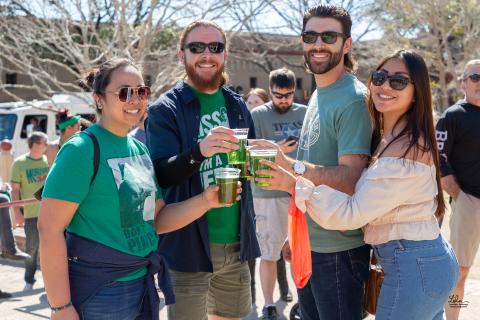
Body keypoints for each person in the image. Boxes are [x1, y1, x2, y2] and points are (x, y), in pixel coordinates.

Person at [258, 49, 460, 319]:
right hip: (415, 261)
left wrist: (293, 183)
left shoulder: (406, 150)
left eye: (398, 81)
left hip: (414, 266)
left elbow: (353, 213)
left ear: (417, 91)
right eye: (379, 77)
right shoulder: (390, 137)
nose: (385, 85)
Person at [38, 58, 241, 320]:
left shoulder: (140, 150)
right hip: (100, 290)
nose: (135, 100)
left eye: (141, 91)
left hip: (141, 284)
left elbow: (156, 220)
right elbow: (49, 229)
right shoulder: (81, 149)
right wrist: (60, 307)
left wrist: (205, 200)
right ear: (99, 99)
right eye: (124, 92)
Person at [251, 4, 372, 319]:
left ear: (346, 44)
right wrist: (296, 229)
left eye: (329, 36)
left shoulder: (353, 98)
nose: (318, 44)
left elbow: (350, 178)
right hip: (309, 241)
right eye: (310, 36)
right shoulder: (319, 93)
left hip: (339, 251)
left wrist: (290, 167)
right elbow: (316, 162)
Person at [146, 19, 260, 320]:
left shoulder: (237, 105)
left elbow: (241, 164)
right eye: (196, 47)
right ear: (181, 54)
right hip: (187, 247)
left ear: (225, 54)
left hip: (236, 244)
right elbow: (161, 174)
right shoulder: (165, 109)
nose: (206, 55)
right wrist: (199, 151)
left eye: (215, 47)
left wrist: (260, 163)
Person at [250, 67, 306, 319]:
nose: (283, 100)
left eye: (288, 95)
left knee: (301, 252)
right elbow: (247, 151)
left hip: (299, 190)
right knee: (269, 253)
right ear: (269, 90)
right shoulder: (258, 115)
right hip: (267, 193)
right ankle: (269, 305)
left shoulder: (305, 113)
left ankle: (304, 302)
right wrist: (277, 148)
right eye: (277, 95)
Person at [436, 59, 480, 320]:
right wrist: (459, 196)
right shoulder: (453, 116)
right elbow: (438, 158)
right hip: (469, 202)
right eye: (475, 78)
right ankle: (453, 317)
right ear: (464, 82)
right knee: (460, 271)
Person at [10, 131, 49, 290]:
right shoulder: (19, 163)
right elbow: (14, 191)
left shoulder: (48, 160)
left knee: (51, 249)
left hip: (50, 213)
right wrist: (17, 213)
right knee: (32, 248)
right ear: (35, 145)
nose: (47, 146)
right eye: (44, 143)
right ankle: (29, 280)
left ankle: (49, 281)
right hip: (31, 215)